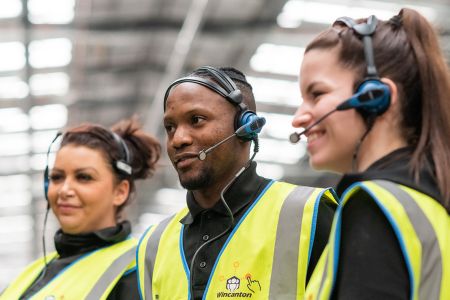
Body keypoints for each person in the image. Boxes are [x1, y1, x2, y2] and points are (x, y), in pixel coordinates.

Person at [136, 66, 338, 300]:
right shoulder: (154, 243)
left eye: (196, 120)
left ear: (245, 126)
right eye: (170, 127)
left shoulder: (309, 214)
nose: (178, 139)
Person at [291, 8, 450, 299]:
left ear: (376, 96)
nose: (299, 117)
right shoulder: (431, 206)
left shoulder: (373, 205)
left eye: (317, 94)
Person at [1, 118, 161, 299]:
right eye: (57, 177)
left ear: (120, 192)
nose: (64, 190)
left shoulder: (138, 269)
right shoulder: (31, 273)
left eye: (84, 177)